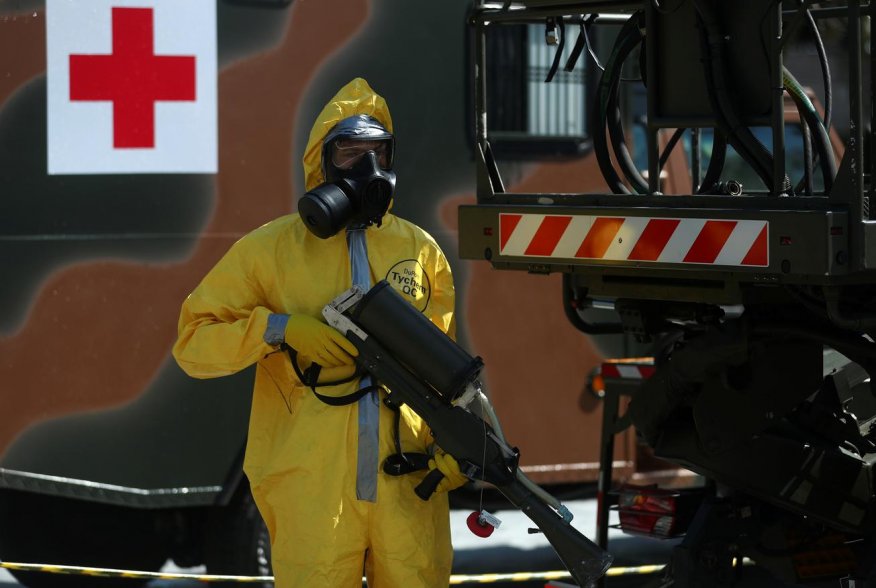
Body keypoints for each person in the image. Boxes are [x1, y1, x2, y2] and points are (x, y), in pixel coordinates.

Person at [173, 78, 467, 587]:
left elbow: (443, 364)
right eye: (351, 153)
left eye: (378, 153)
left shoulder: (419, 251)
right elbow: (194, 344)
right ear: (322, 163)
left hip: (408, 484)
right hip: (312, 489)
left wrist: (457, 439)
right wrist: (279, 329)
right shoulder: (270, 251)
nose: (367, 169)